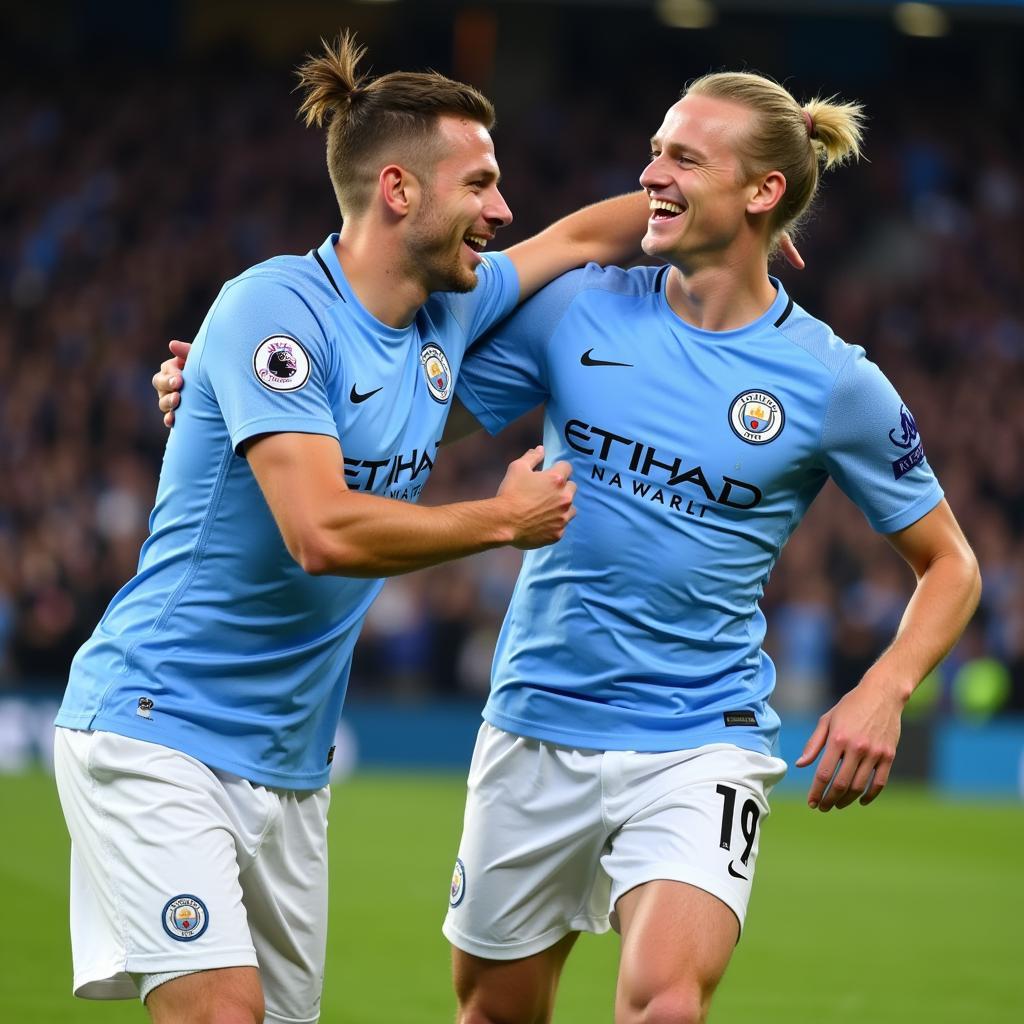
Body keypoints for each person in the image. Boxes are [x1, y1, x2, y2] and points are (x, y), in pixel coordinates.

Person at [53, 32, 657, 1024]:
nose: (503, 212)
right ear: (398, 190)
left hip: (291, 769)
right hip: (157, 726)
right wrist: (499, 521)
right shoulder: (274, 309)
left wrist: (737, 184)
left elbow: (584, 239)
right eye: (481, 184)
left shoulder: (442, 316)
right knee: (219, 1012)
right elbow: (320, 533)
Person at [430, 74, 981, 1024]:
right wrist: (255, 386)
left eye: (684, 157)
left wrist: (884, 688)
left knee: (667, 1006)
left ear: (762, 192)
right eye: (654, 150)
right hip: (535, 717)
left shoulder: (832, 383)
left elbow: (953, 565)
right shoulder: (581, 309)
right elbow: (410, 422)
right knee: (495, 1013)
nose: (651, 173)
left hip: (699, 735)